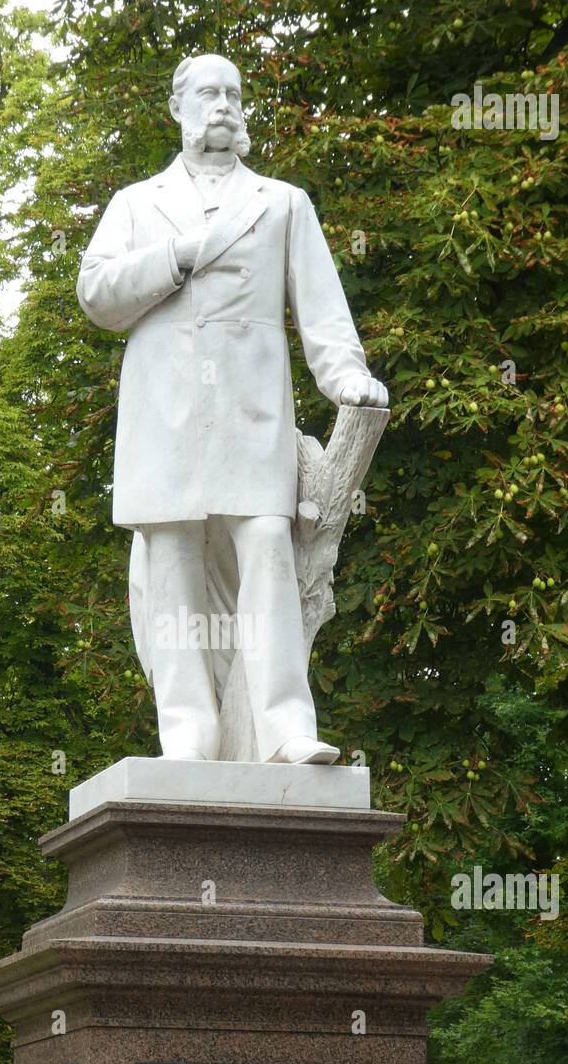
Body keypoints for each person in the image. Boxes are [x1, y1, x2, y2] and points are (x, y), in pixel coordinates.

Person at [77, 54, 388, 763]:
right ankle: (186, 736)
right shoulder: (135, 202)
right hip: (162, 408)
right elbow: (96, 294)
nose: (222, 105)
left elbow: (321, 309)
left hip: (251, 407)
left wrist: (346, 376)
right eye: (208, 93)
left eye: (233, 94)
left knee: (269, 550)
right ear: (177, 106)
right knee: (173, 566)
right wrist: (178, 254)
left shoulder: (282, 201)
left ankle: (284, 727)